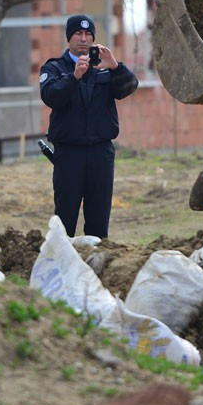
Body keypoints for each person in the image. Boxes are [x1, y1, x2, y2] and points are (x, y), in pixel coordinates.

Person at [39, 14, 138, 238]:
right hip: (69, 154)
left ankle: (96, 267)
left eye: (88, 34)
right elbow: (51, 97)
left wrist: (115, 67)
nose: (83, 39)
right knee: (65, 219)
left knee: (98, 219)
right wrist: (74, 77)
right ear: (69, 38)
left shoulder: (104, 67)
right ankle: (63, 266)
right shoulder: (55, 68)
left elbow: (129, 87)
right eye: (78, 34)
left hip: (100, 153)